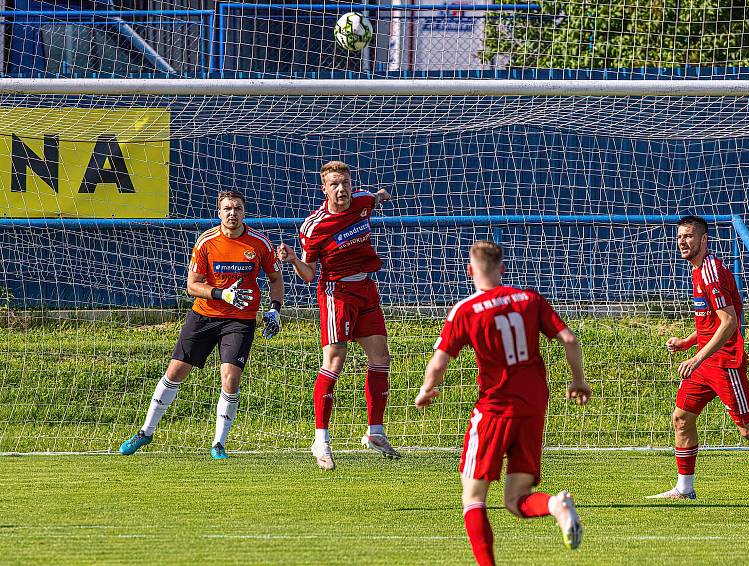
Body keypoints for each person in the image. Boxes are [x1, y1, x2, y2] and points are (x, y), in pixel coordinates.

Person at [415, 240, 592, 564]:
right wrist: (578, 380)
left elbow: (439, 363)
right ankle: (555, 505)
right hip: (534, 407)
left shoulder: (466, 310)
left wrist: (426, 390)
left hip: (495, 409)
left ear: (470, 270)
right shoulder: (529, 299)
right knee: (516, 500)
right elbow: (569, 339)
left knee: (473, 500)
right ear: (503, 269)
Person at [119, 190, 284, 459]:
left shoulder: (259, 243)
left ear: (245, 212)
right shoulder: (206, 242)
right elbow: (192, 285)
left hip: (240, 320)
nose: (233, 213)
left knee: (230, 379)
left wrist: (275, 310)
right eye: (227, 209)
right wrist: (222, 294)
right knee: (175, 373)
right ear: (219, 212)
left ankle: (218, 444)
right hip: (204, 316)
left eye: (238, 209)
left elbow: (276, 279)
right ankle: (145, 433)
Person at [649, 215, 749, 501]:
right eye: (680, 236)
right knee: (681, 418)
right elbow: (710, 324)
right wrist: (687, 343)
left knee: (748, 429)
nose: (683, 241)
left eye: (689, 236)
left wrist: (695, 358)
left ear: (703, 240)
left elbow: (729, 322)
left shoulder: (711, 274)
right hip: (705, 363)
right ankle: (684, 488)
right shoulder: (698, 270)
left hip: (724, 363)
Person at [278, 160, 398, 470]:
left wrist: (382, 195)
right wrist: (292, 259)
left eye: (344, 182)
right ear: (324, 189)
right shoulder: (314, 227)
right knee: (334, 361)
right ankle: (321, 440)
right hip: (337, 294)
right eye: (334, 184)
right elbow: (308, 275)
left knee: (381, 357)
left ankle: (375, 432)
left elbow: (374, 197)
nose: (341, 189)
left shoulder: (361, 200)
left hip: (366, 290)